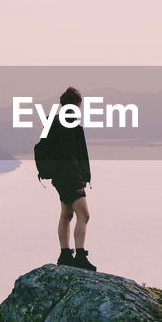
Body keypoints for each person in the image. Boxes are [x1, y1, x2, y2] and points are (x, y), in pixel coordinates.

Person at [45, 86, 94, 271]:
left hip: (59, 177)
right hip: (71, 178)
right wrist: (78, 182)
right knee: (84, 215)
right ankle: (80, 255)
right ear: (76, 104)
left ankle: (65, 254)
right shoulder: (69, 124)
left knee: (66, 214)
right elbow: (69, 156)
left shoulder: (54, 123)